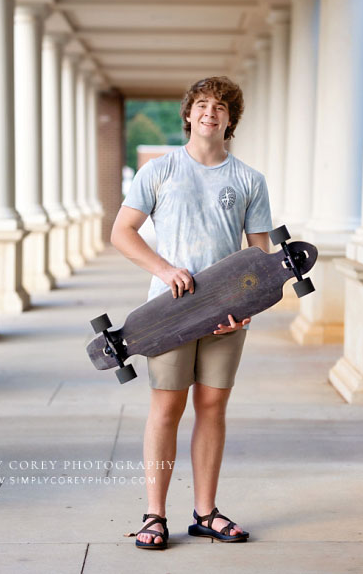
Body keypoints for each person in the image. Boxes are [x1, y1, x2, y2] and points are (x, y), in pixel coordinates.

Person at [110, 76, 272, 549]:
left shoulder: (249, 180)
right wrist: (163, 268)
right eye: (202, 105)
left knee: (212, 407)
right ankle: (154, 515)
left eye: (220, 107)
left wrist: (248, 308)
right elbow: (123, 232)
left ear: (230, 119)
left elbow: (260, 257)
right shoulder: (159, 171)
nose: (210, 112)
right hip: (169, 314)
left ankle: (205, 513)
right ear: (188, 115)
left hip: (227, 317)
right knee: (166, 408)